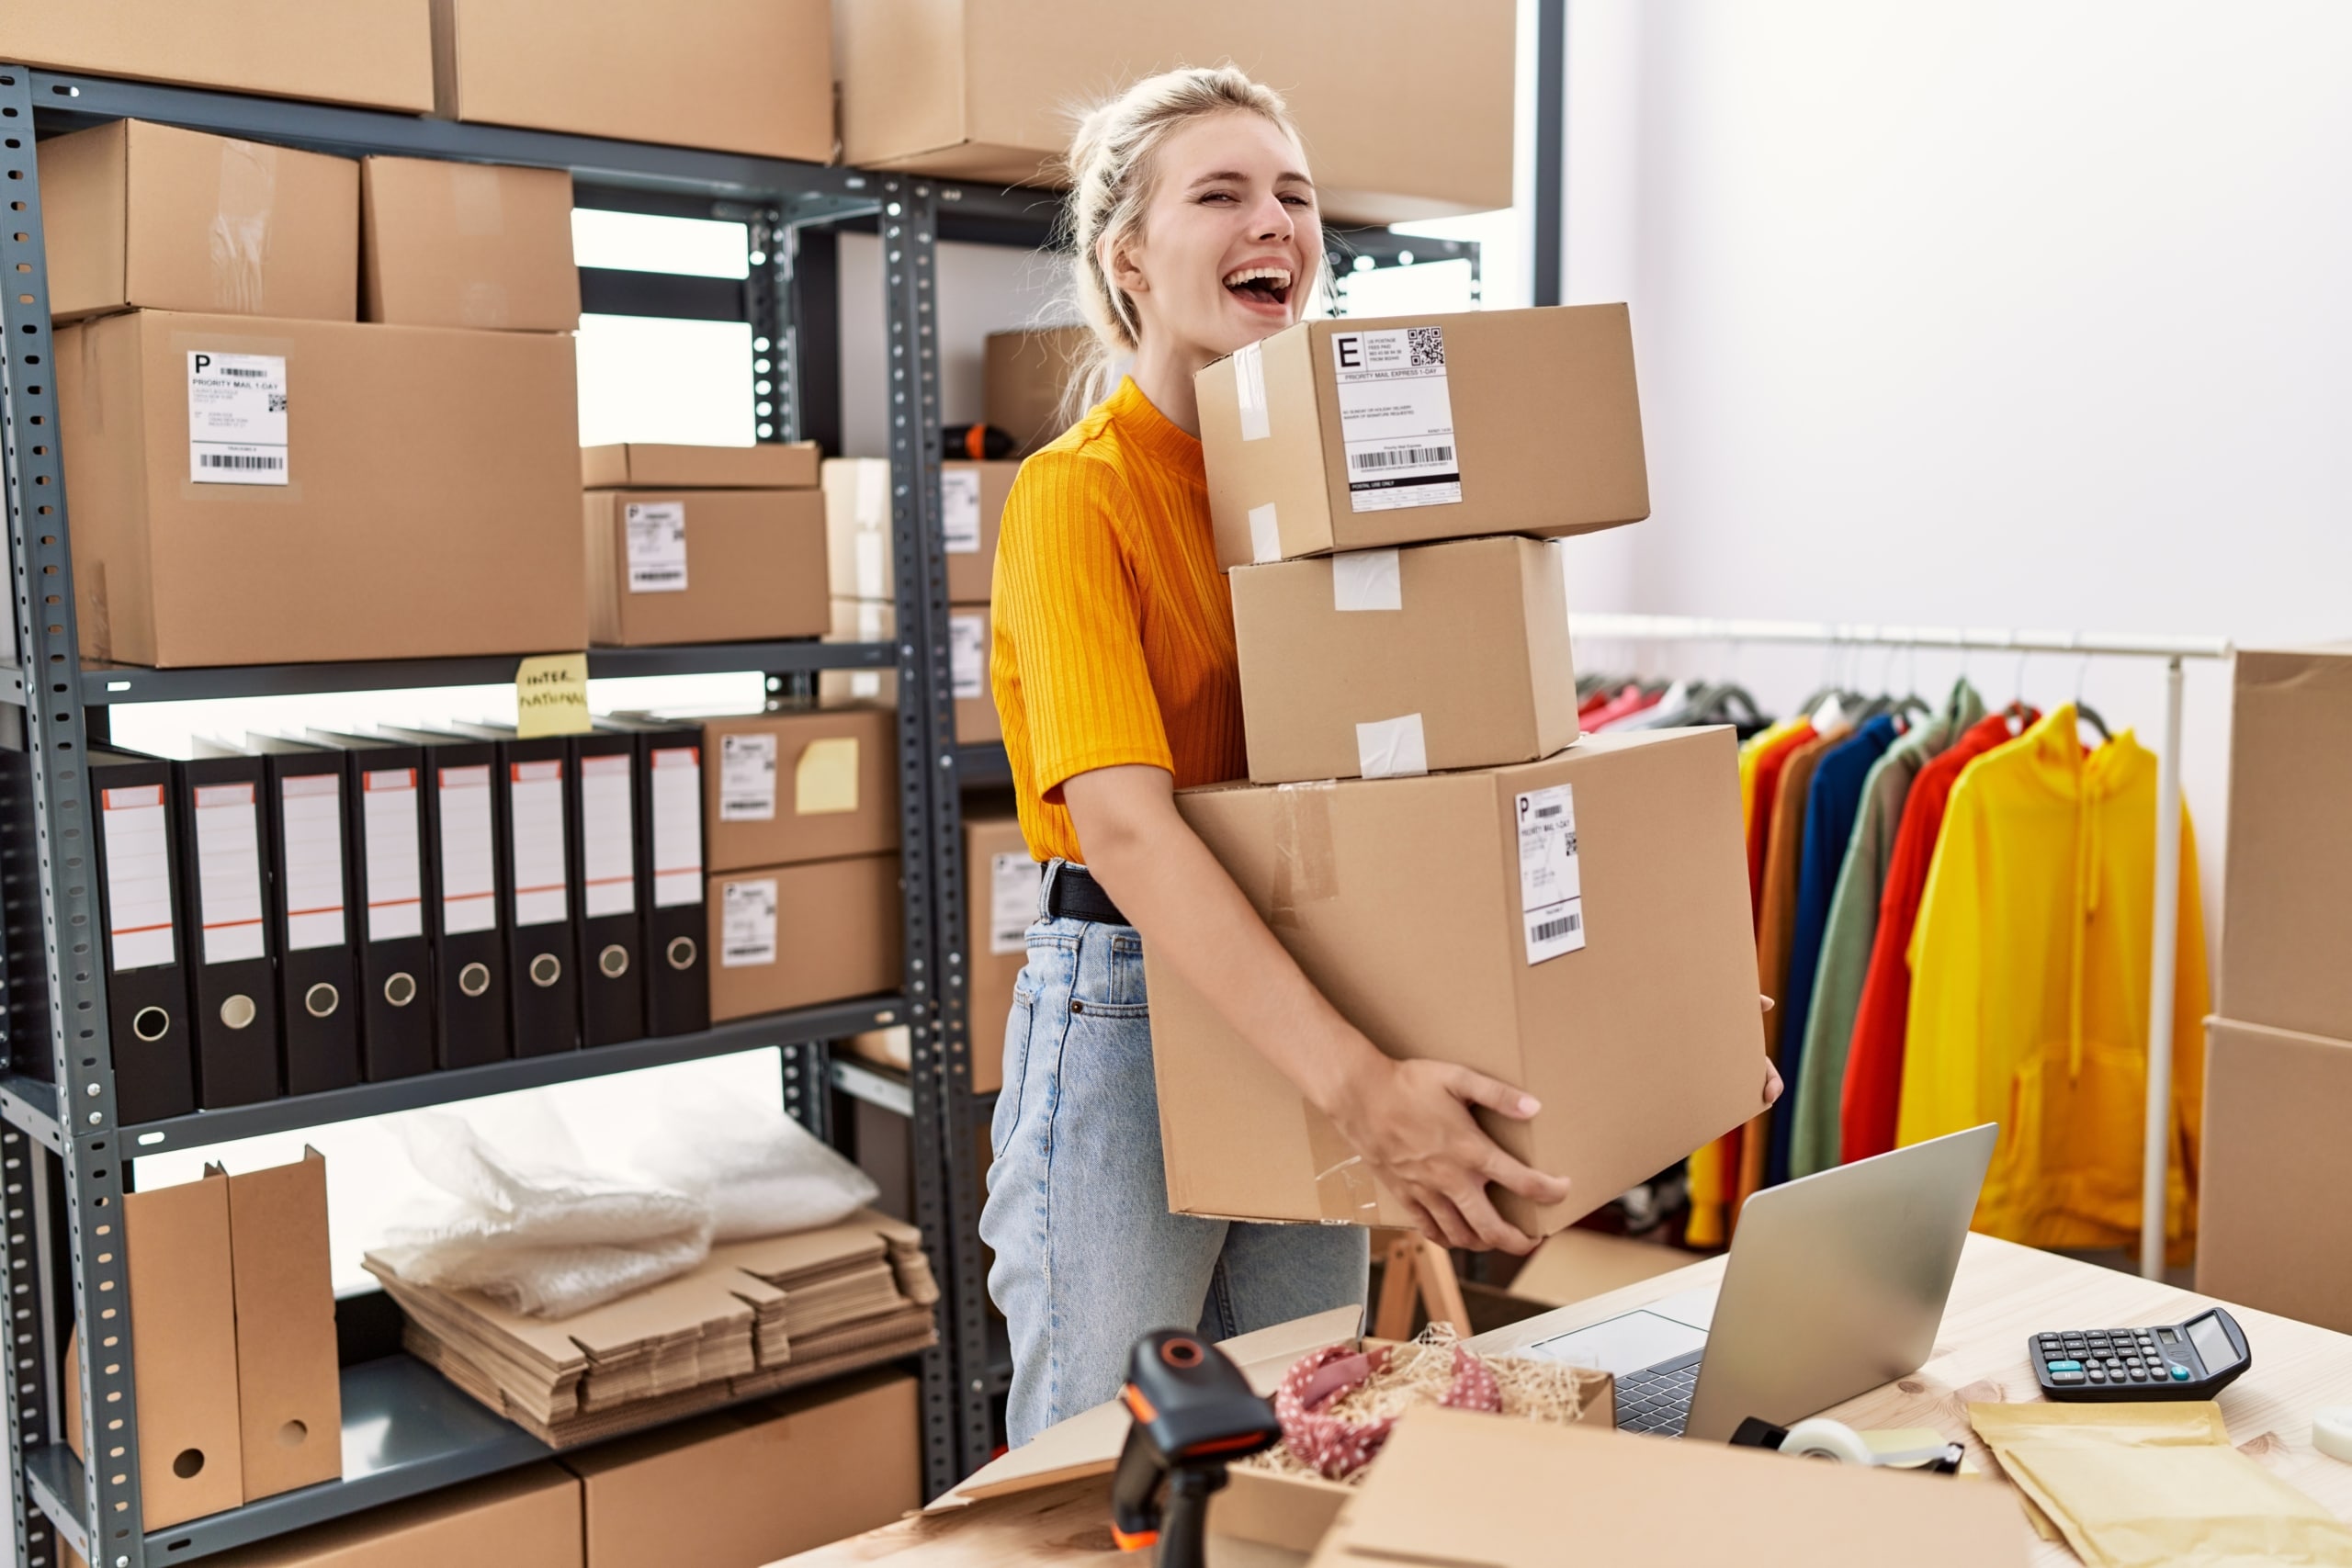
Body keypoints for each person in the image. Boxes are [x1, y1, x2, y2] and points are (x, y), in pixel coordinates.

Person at [979, 65, 1776, 1445]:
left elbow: (1476, 791)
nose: (1274, 220)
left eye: (1294, 194)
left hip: (1322, 991)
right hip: (1131, 1012)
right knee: (1106, 1460)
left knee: (1301, 1432)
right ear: (1128, 259)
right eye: (1220, 194)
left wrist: (1663, 1013)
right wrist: (1360, 1087)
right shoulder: (1078, 495)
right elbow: (1126, 827)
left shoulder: (1338, 501)